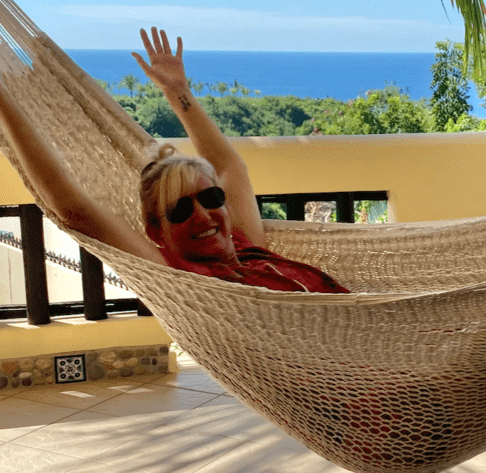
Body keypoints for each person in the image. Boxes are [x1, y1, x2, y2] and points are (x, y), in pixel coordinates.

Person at [0, 27, 349, 294]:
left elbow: (230, 167)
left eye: (211, 197)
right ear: (157, 231)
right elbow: (75, 208)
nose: (202, 214)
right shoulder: (181, 276)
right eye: (180, 210)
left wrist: (177, 92)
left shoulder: (246, 243)